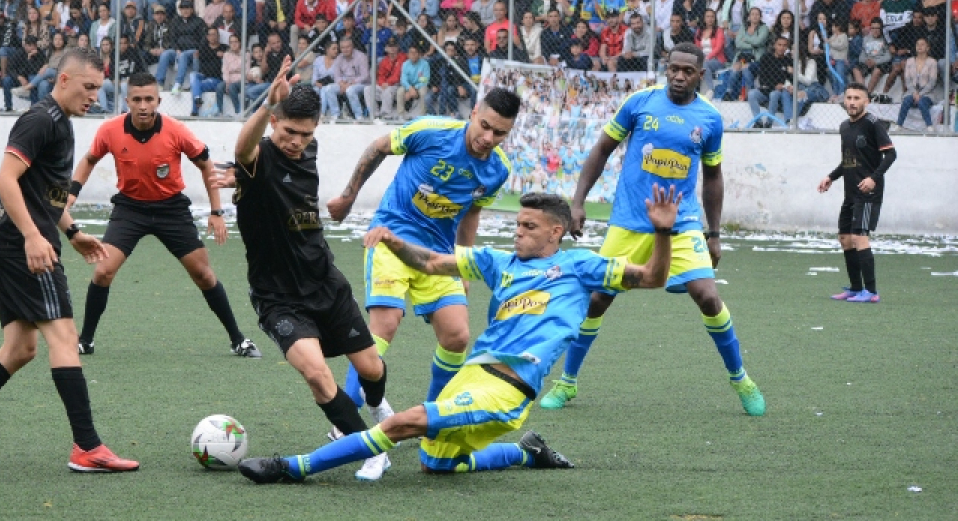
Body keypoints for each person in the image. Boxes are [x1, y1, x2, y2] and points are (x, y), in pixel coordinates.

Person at [237, 186, 681, 484]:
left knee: (402, 422)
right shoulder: (499, 262)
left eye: (528, 226)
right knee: (437, 463)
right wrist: (394, 243)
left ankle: (292, 467)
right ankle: (528, 454)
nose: (518, 231)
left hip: (509, 388)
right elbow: (431, 263)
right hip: (472, 373)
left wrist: (662, 231)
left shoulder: (582, 265)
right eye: (518, 223)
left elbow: (652, 276)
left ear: (555, 231)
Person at [0, 48, 138, 473]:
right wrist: (34, 236)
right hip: (20, 246)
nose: (95, 96)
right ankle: (87, 447)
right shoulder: (41, 119)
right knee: (64, 334)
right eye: (89, 87)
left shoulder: (62, 123)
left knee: (19, 348)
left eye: (100, 89)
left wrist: (71, 232)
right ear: (64, 80)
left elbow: (46, 194)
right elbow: (5, 178)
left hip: (9, 243)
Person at [538, 42, 766, 417]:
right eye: (673, 69)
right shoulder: (639, 103)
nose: (678, 76)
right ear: (666, 69)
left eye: (687, 71)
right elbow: (601, 150)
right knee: (597, 299)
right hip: (630, 220)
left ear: (700, 75)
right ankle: (567, 383)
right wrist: (577, 202)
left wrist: (714, 233)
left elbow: (713, 177)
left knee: (708, 296)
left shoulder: (709, 119)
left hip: (682, 222)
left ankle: (741, 379)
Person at [325, 89, 521, 473]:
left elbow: (470, 216)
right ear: (474, 112)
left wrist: (462, 264)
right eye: (484, 126)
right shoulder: (431, 132)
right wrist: (349, 196)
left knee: (457, 337)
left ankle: (431, 421)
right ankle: (343, 425)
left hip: (437, 256)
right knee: (384, 326)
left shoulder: (498, 169)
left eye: (500, 133)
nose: (488, 138)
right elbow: (378, 148)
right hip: (391, 239)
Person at [226, 62, 390, 481]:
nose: (297, 143)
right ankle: (370, 448)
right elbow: (243, 149)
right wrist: (268, 103)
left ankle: (376, 408)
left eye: (306, 134)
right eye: (288, 133)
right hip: (278, 297)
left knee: (371, 369)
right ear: (274, 123)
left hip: (326, 283)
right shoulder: (258, 156)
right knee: (317, 375)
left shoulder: (309, 150)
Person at [66, 71, 260, 357]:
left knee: (204, 275)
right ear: (127, 101)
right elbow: (89, 160)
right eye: (137, 100)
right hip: (129, 209)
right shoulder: (110, 130)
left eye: (148, 99)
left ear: (158, 100)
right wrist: (70, 195)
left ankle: (238, 340)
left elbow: (206, 166)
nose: (143, 106)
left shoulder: (176, 130)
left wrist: (216, 211)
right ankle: (86, 340)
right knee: (103, 271)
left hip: (171, 209)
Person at [818, 84, 897, 304]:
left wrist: (873, 178)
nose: (852, 102)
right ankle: (855, 288)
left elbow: (891, 155)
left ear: (866, 101)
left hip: (868, 193)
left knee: (859, 237)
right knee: (845, 238)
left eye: (857, 98)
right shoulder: (844, 127)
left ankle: (871, 292)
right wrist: (830, 177)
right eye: (849, 97)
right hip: (850, 193)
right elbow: (848, 161)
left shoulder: (873, 124)